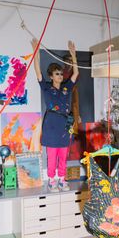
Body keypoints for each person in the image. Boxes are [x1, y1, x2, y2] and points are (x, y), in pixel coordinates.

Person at [31, 38, 79, 192]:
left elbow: (76, 72)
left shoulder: (66, 87)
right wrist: (35, 52)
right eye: (57, 74)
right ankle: (52, 181)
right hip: (51, 125)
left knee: (63, 155)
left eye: (60, 73)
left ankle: (62, 180)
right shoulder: (46, 87)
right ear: (51, 76)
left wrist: (73, 54)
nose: (60, 76)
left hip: (64, 125)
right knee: (52, 156)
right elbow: (37, 72)